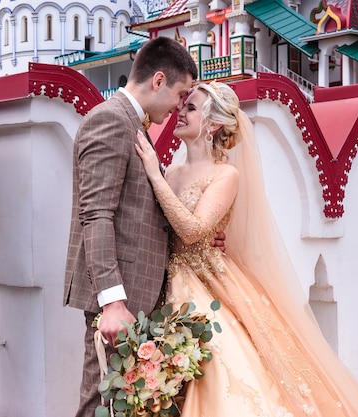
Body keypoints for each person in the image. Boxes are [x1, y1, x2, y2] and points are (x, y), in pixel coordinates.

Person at [134, 80, 358, 417]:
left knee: (221, 365)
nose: (180, 113)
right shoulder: (174, 171)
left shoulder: (226, 175)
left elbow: (193, 230)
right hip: (172, 279)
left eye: (190, 108)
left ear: (212, 124)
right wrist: (161, 177)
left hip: (210, 283)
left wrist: (153, 174)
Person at [63, 36, 225, 417]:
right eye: (180, 93)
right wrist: (113, 302)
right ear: (157, 81)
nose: (177, 107)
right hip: (119, 298)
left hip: (139, 293)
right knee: (100, 402)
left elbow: (138, 213)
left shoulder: (132, 124)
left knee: (122, 405)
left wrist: (197, 237)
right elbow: (96, 214)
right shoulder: (110, 119)